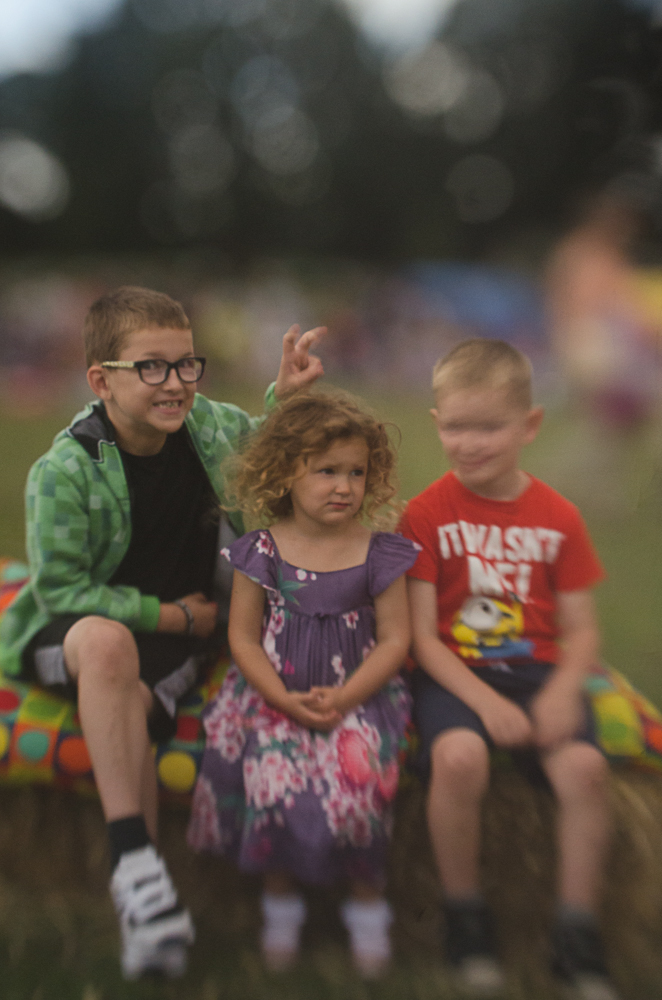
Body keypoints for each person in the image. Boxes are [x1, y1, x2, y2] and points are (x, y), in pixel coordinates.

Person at [0, 286, 325, 980]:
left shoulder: (208, 427)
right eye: (151, 367)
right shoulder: (63, 470)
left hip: (176, 638)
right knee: (111, 648)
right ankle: (133, 857)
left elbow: (264, 445)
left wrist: (288, 396)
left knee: (138, 719)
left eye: (186, 365)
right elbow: (59, 588)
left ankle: (145, 918)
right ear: (101, 380)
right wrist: (170, 616)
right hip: (78, 625)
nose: (175, 384)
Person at [398, 339, 620, 1000]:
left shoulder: (559, 517)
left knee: (585, 769)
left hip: (537, 674)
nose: (470, 443)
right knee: (460, 758)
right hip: (453, 674)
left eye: (489, 427)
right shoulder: (426, 514)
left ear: (530, 425)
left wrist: (558, 694)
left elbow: (582, 631)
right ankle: (465, 916)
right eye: (457, 427)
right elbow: (421, 638)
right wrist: (483, 703)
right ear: (438, 424)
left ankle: (576, 930)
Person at [187, 390, 419, 977]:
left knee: (358, 785)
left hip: (358, 694)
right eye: (327, 471)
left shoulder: (378, 554)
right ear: (287, 471)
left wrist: (346, 698)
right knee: (272, 779)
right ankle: (280, 902)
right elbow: (243, 638)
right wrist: (278, 697)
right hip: (274, 693)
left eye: (356, 473)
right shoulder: (260, 551)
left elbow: (394, 640)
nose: (344, 486)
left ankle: (368, 908)